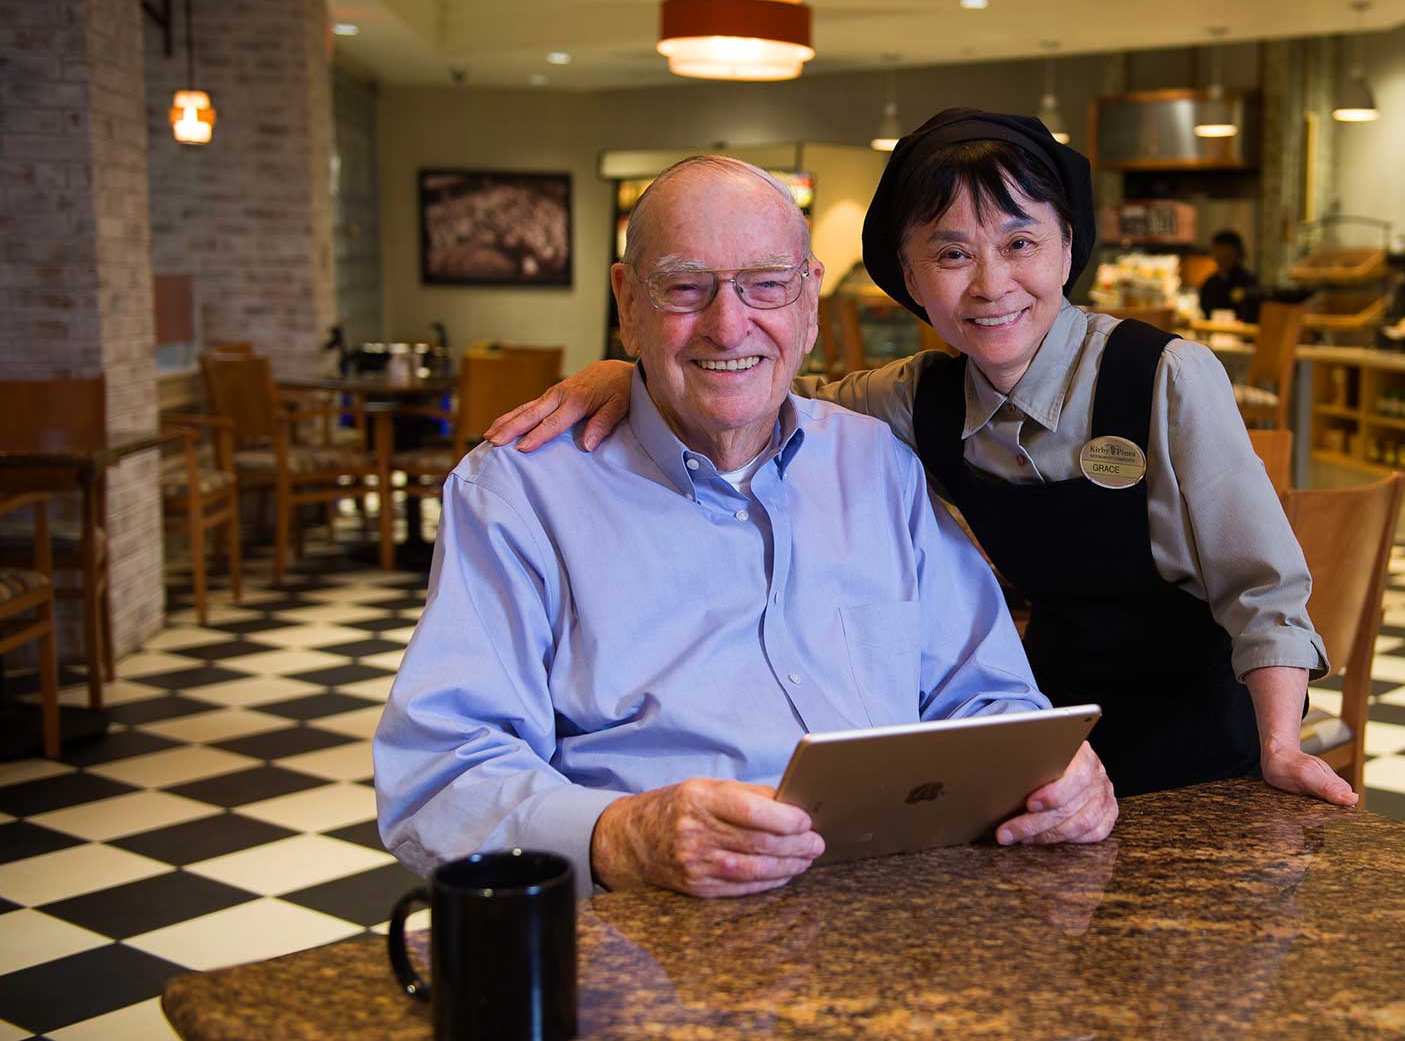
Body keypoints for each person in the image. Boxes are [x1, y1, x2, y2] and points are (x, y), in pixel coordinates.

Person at [488, 109, 1347, 804]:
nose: (990, 284)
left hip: (1203, 746)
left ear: (1068, 250)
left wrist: (1279, 745)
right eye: (950, 254)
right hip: (1048, 736)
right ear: (908, 275)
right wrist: (632, 363)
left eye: (1019, 243)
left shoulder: (1162, 377)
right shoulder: (914, 396)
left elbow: (1263, 588)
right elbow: (757, 378)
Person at [374, 156, 1117, 899]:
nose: (729, 325)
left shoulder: (879, 466)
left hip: (897, 920)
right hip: (655, 939)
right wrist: (623, 836)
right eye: (685, 287)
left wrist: (1054, 775)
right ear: (628, 304)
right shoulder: (521, 493)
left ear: (809, 303)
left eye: (766, 284)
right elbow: (440, 776)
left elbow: (988, 698)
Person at [1198, 229, 1260, 322]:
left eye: (1227, 255)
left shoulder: (1248, 282)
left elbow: (1252, 316)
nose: (1222, 258)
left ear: (1237, 254)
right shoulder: (1210, 283)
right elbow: (1205, 311)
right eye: (1218, 253)